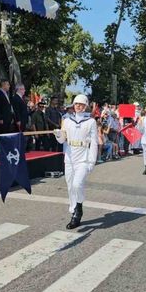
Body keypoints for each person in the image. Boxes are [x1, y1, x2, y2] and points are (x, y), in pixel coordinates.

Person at [53, 94, 98, 229]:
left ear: (85, 106)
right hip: (70, 156)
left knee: (77, 184)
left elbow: (94, 142)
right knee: (70, 185)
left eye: (81, 104)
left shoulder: (91, 122)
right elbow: (62, 140)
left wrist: (92, 161)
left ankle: (78, 209)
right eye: (76, 104)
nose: (78, 106)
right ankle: (73, 210)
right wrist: (59, 135)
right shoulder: (67, 120)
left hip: (83, 157)